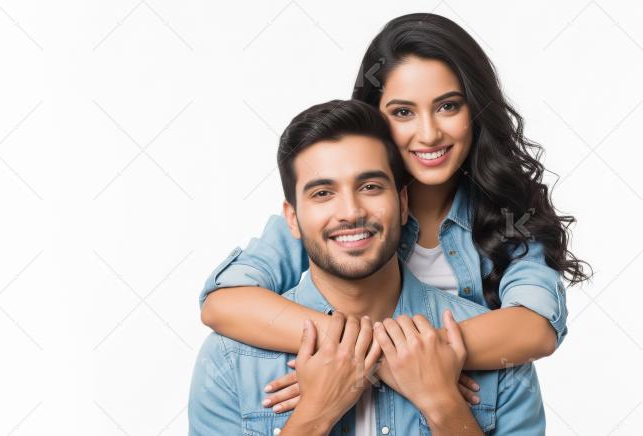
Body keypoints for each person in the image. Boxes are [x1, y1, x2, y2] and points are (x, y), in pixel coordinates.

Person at [198, 13, 591, 412]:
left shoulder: (510, 217)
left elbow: (535, 328)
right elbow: (224, 303)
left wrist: (385, 361)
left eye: (448, 107)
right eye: (403, 112)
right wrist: (351, 357)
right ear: (375, 117)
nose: (428, 133)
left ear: (475, 110)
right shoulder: (341, 218)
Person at [189, 99, 545, 435]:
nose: (351, 212)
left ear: (403, 202)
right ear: (292, 219)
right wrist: (314, 416)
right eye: (322, 193)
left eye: (370, 186)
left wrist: (443, 405)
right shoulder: (230, 359)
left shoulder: (499, 357)